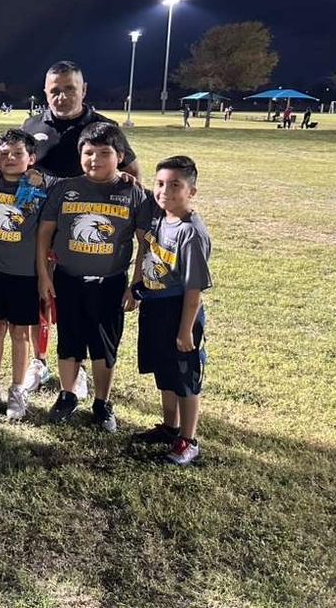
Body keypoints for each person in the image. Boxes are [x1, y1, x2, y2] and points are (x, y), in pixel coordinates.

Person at [22, 60, 140, 393]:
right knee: (41, 295)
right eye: (54, 90)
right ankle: (39, 361)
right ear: (45, 92)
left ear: (83, 90)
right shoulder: (32, 124)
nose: (61, 96)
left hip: (83, 232)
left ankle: (80, 367)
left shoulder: (104, 127)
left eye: (69, 89)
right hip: (39, 226)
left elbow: (132, 171)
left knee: (80, 303)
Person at [36, 122, 146, 432]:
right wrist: (44, 276)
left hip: (110, 283)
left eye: (104, 153)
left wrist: (135, 284)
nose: (95, 159)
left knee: (104, 346)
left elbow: (143, 242)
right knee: (69, 342)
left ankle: (102, 401)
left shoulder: (132, 192)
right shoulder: (65, 188)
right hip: (68, 279)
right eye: (88, 152)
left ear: (120, 156)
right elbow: (44, 235)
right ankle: (67, 395)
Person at [131, 156, 212, 465]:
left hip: (179, 312)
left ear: (192, 191)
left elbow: (194, 292)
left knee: (185, 378)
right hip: (155, 306)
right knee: (164, 371)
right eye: (160, 184)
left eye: (175, 185)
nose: (165, 191)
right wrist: (137, 288)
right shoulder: (162, 218)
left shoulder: (191, 232)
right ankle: (169, 427)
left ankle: (188, 440)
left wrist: (185, 329)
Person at [0, 128, 54, 419]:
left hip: (25, 275)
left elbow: (79, 184)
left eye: (17, 153)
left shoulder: (42, 185)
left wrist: (125, 177)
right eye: (4, 153)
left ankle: (17, 390)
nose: (10, 158)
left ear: (31, 158)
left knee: (20, 334)